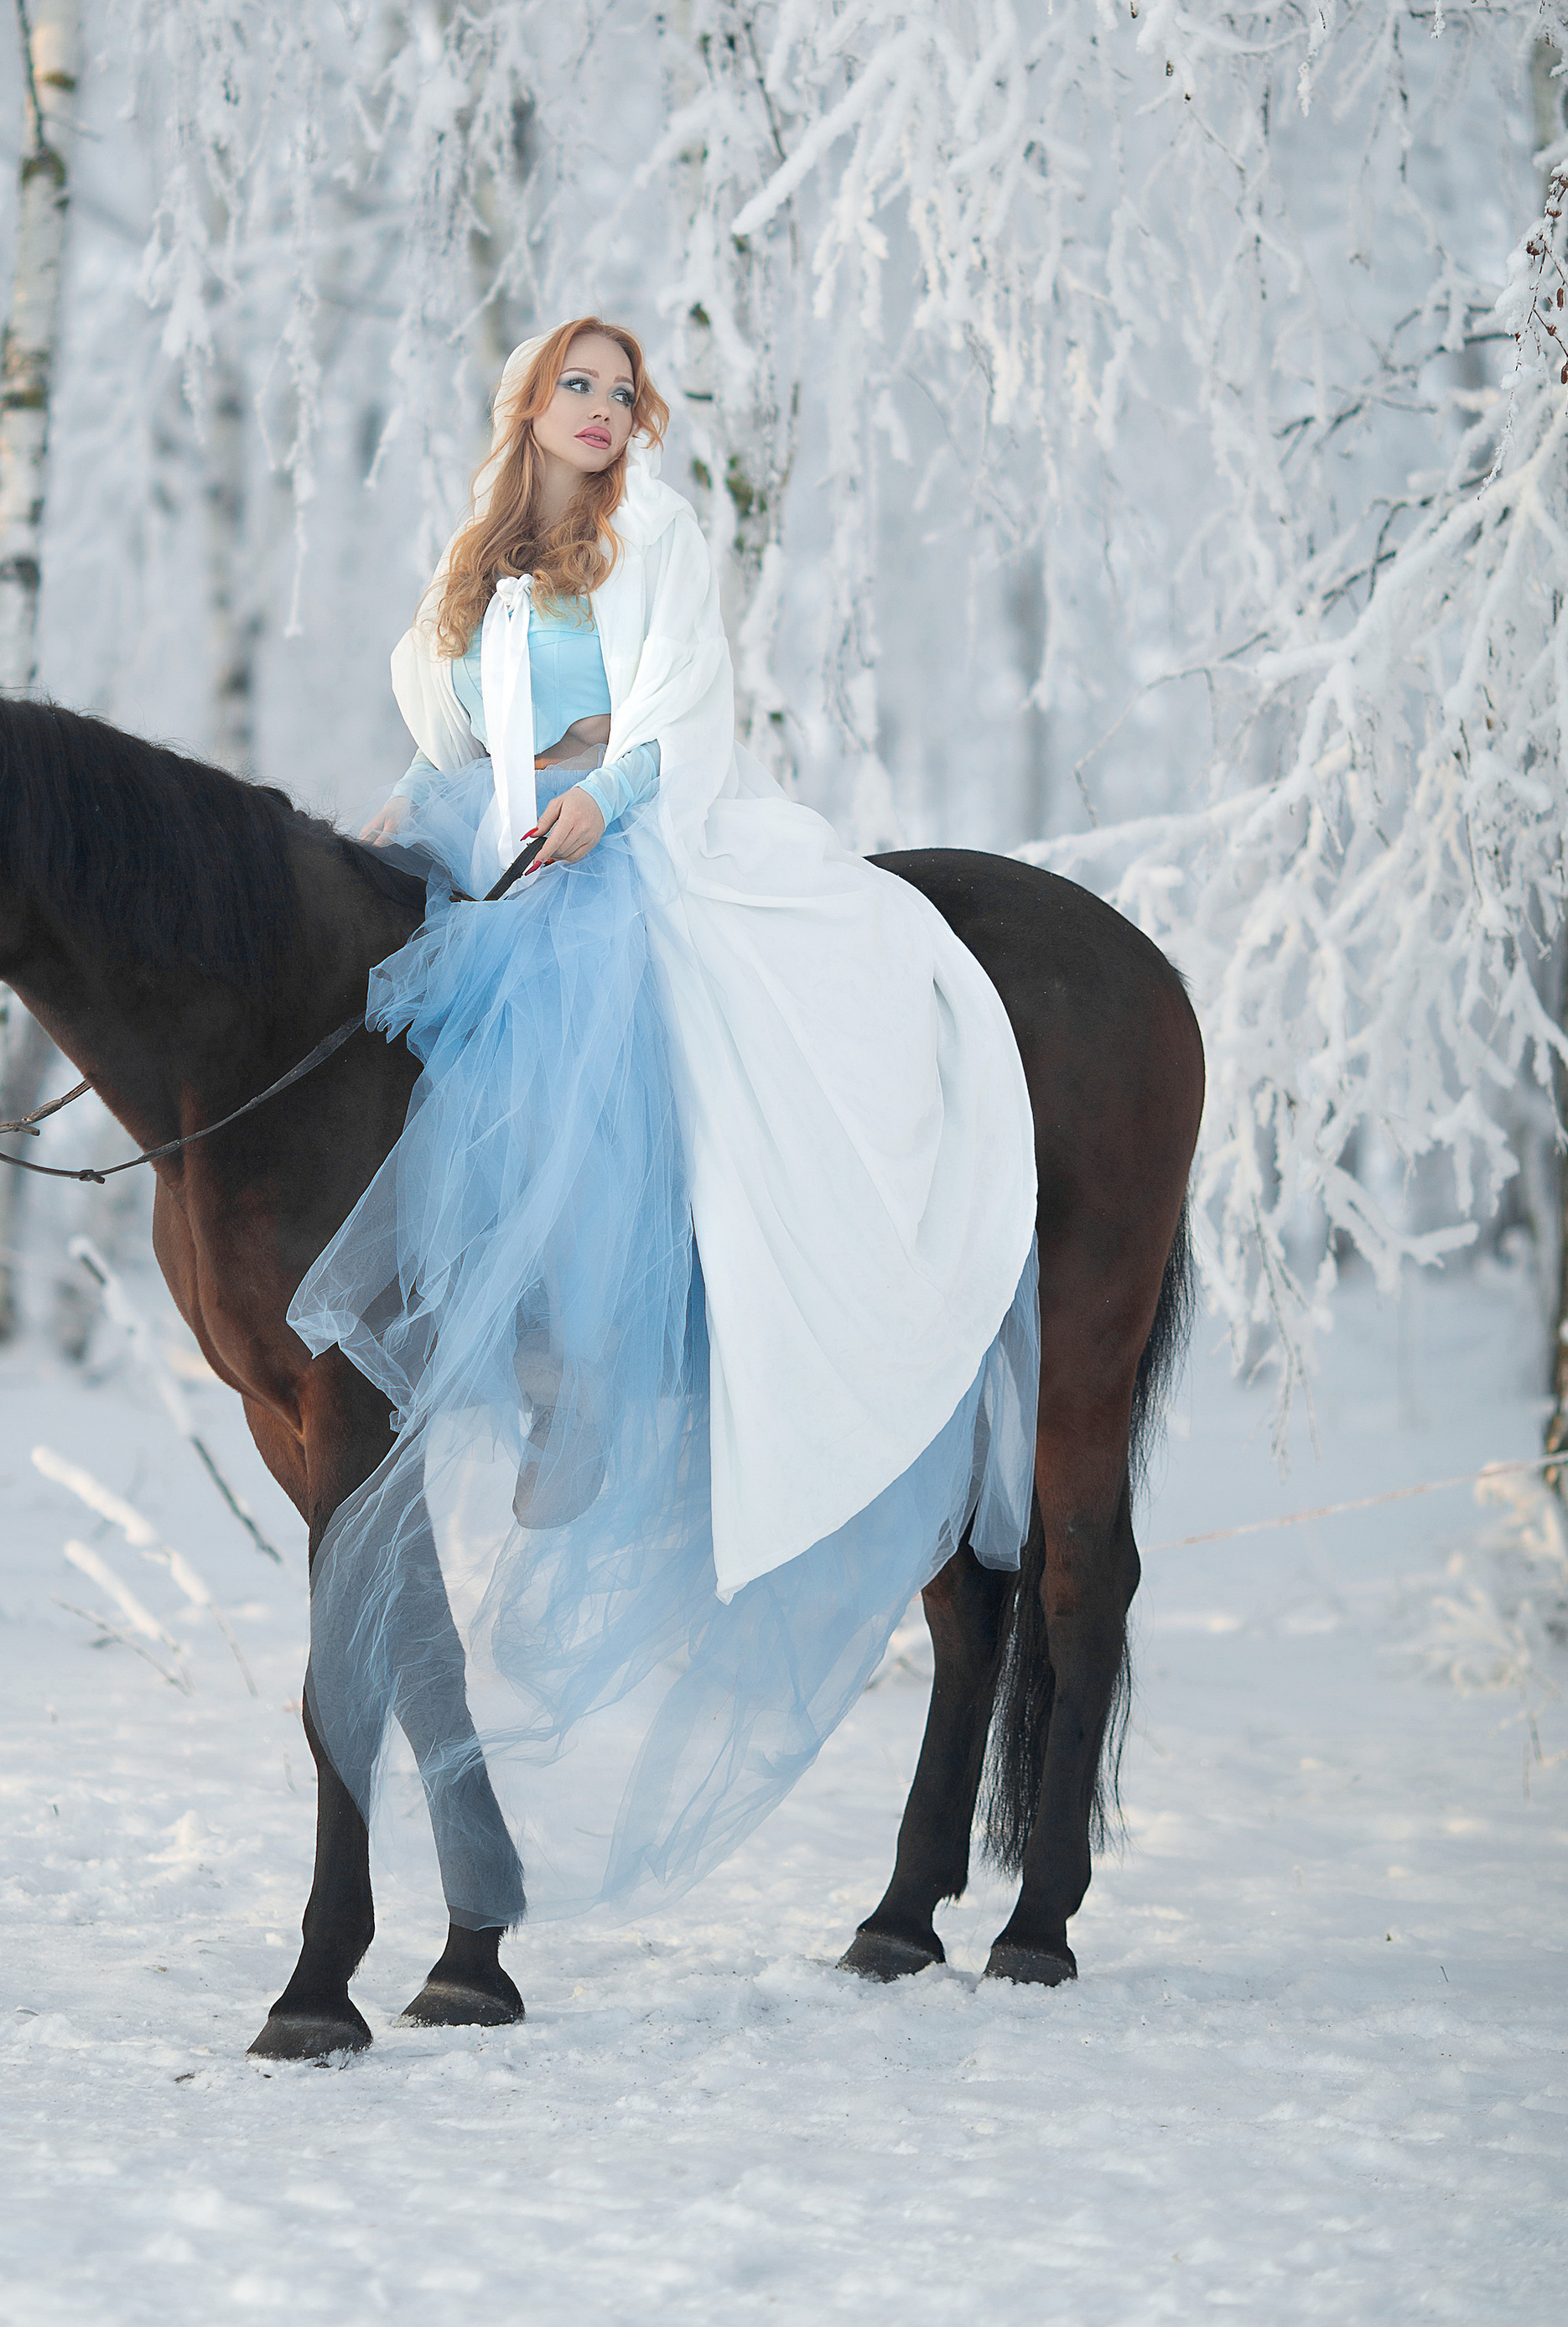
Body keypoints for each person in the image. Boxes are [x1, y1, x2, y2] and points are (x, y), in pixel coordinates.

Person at [292, 317, 1039, 1917]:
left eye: (622, 392)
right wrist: (425, 786)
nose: (602, 409)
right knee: (416, 1052)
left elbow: (682, 716)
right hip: (499, 829)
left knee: (601, 1043)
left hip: (619, 838)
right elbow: (453, 726)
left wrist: (598, 799)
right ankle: (484, 1335)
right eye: (577, 384)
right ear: (528, 403)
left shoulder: (660, 535)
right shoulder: (483, 552)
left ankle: (593, 1379)